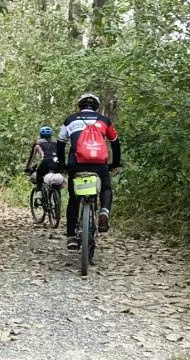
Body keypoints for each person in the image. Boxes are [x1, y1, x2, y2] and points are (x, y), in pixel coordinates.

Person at [57, 93, 122, 250]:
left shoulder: (70, 120)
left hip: (76, 164)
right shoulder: (104, 121)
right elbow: (115, 144)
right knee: (106, 188)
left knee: (74, 199)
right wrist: (115, 163)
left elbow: (60, 144)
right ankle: (104, 212)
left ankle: (72, 236)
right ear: (97, 107)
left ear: (79, 106)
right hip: (99, 165)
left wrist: (62, 165)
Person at [24, 126, 61, 191]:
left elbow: (32, 157)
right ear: (51, 135)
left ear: (40, 135)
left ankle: (39, 192)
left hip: (45, 163)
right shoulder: (56, 143)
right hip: (56, 163)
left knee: (39, 174)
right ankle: (57, 196)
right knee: (56, 181)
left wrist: (28, 167)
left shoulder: (38, 143)